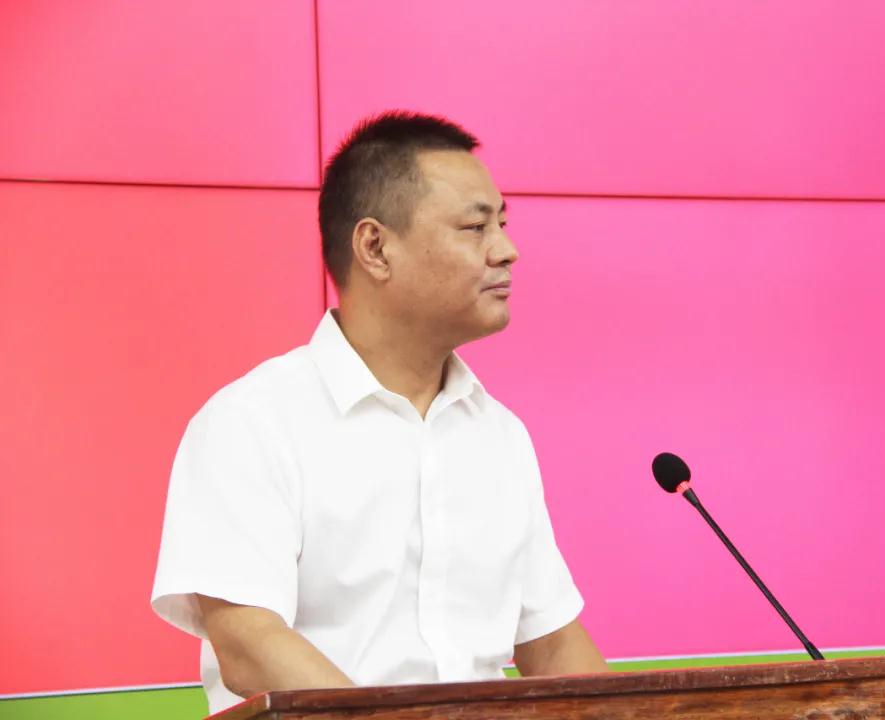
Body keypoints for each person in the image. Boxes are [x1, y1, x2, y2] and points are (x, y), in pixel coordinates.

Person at [150, 110, 608, 713]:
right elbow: (247, 642)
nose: (507, 250)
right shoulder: (253, 422)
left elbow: (551, 645)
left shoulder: (500, 435)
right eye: (475, 227)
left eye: (502, 223)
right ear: (375, 247)